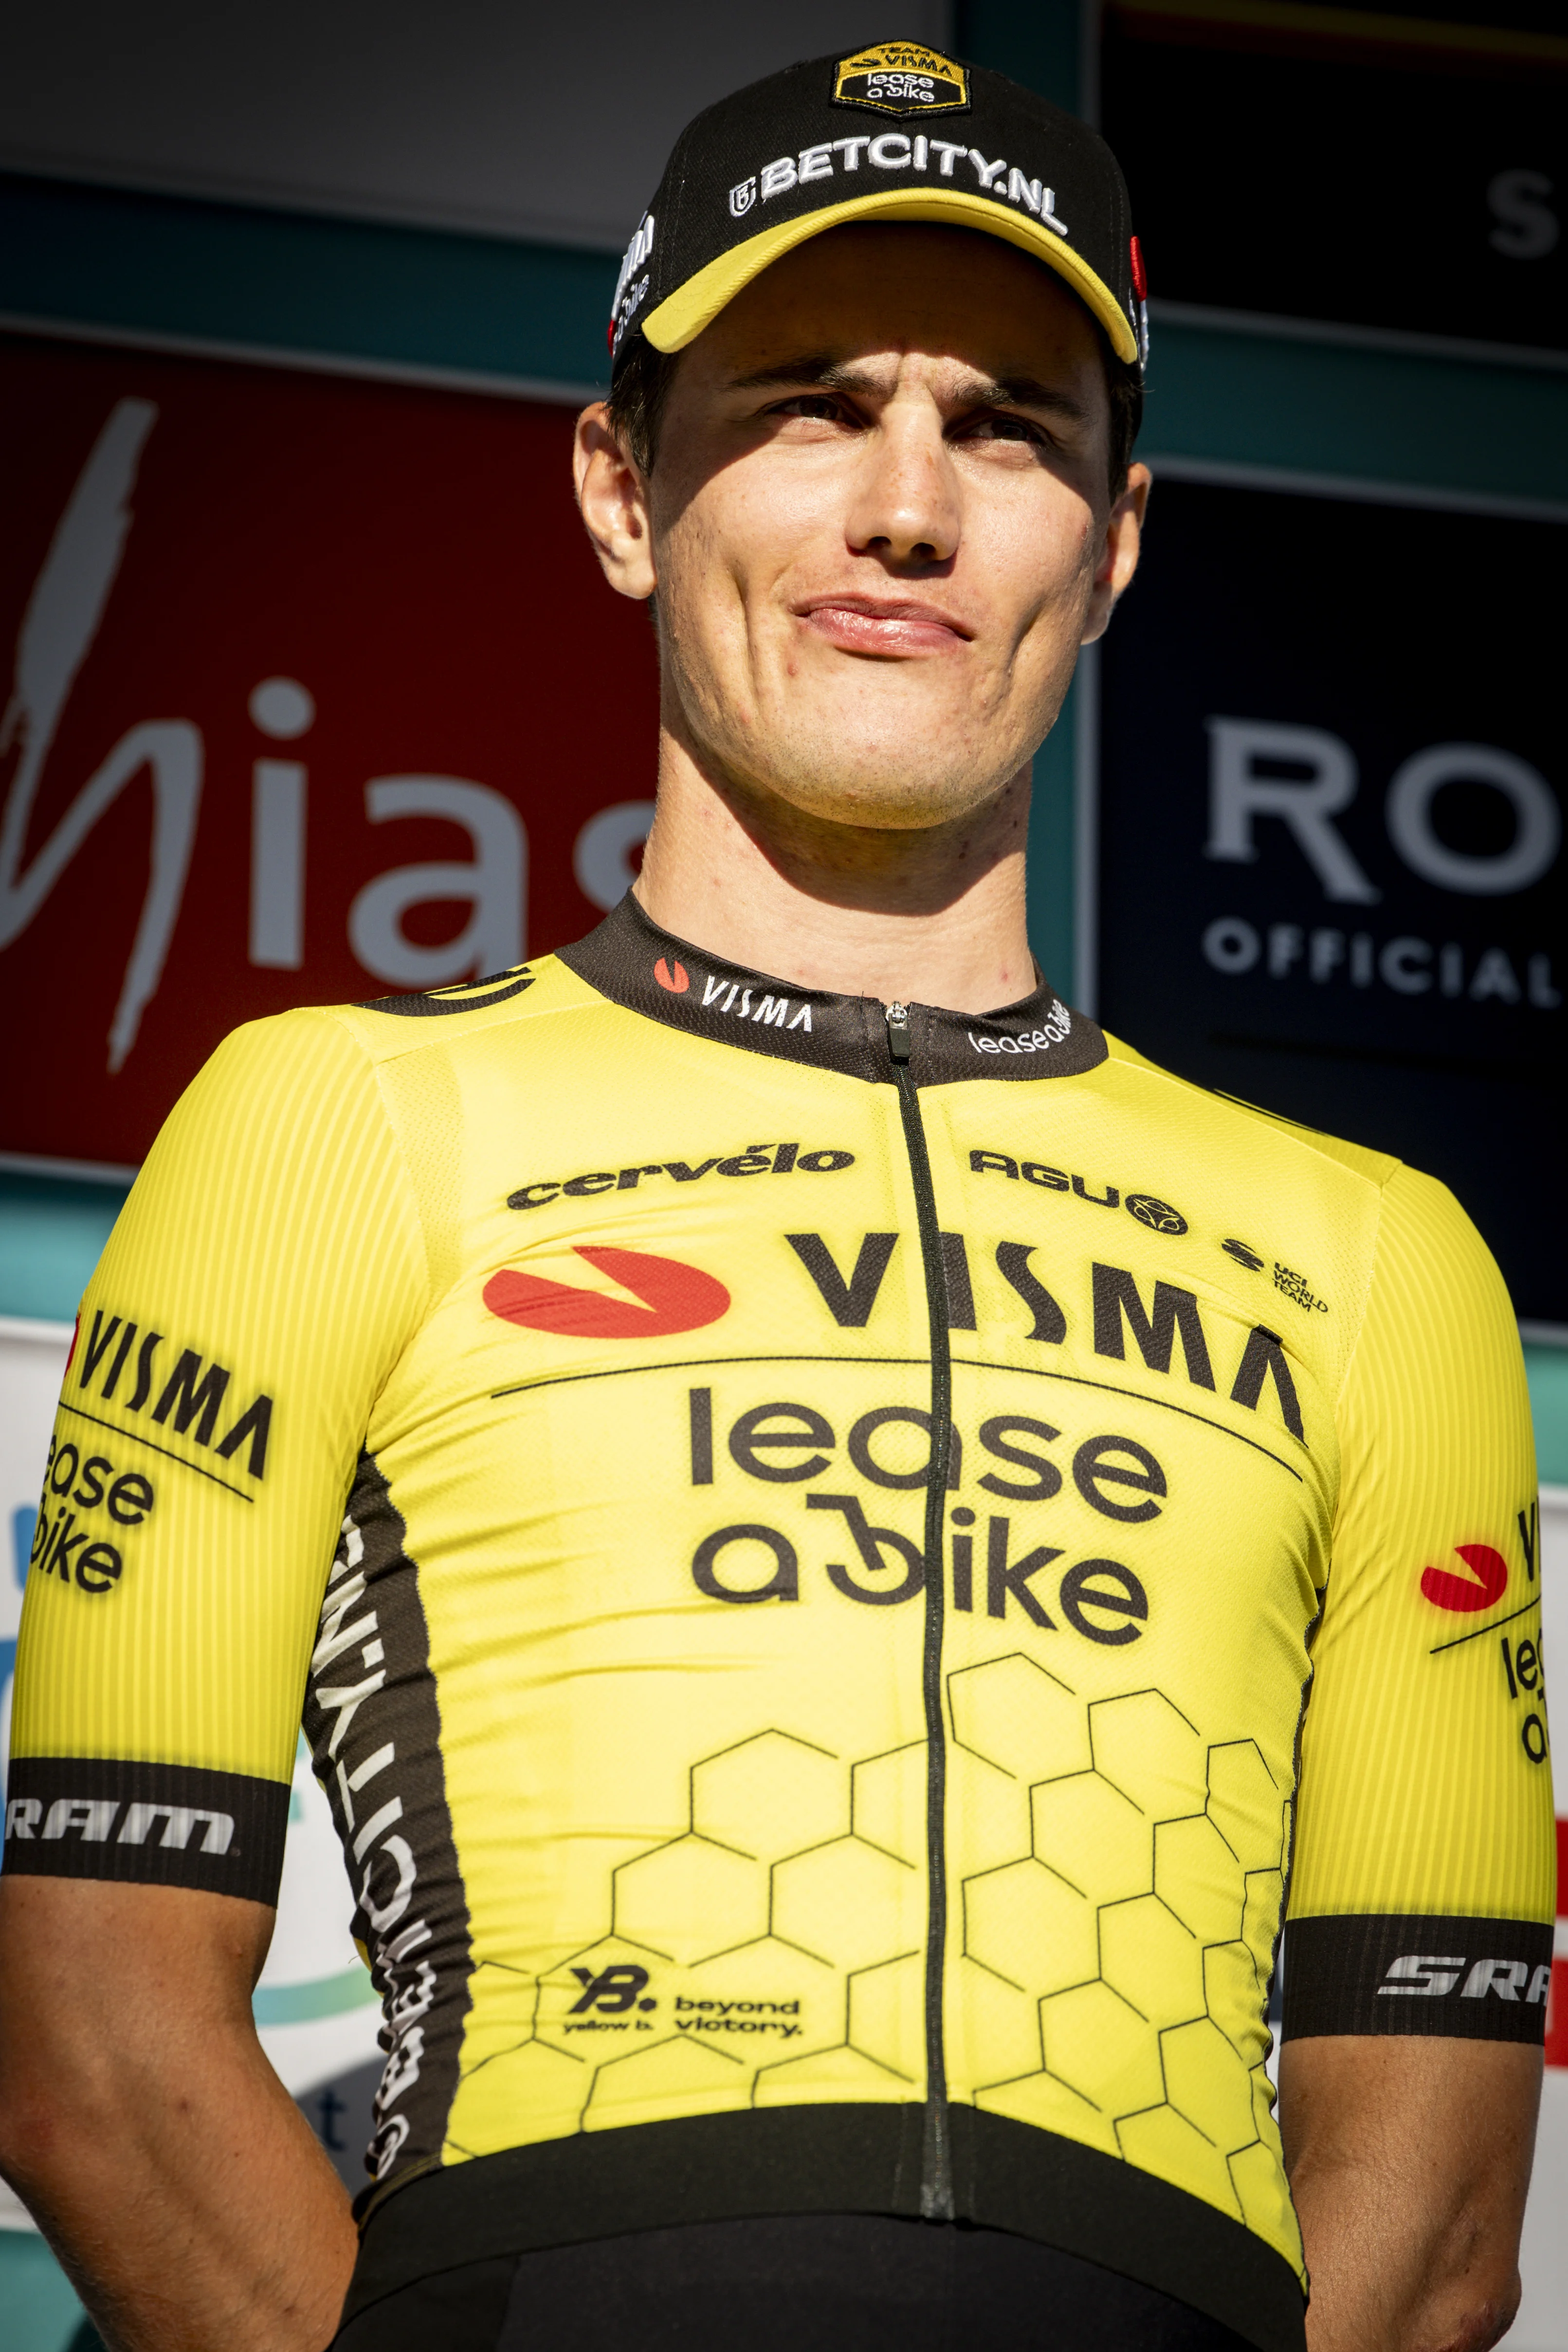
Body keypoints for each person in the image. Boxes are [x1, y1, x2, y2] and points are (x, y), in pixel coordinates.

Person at [0, 38, 1553, 2352]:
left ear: (1112, 544)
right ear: (622, 490)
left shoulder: (1377, 1254)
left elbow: (1429, 2245)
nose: (908, 508)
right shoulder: (330, 1120)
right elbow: (96, 2053)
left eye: (1007, 421)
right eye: (811, 401)